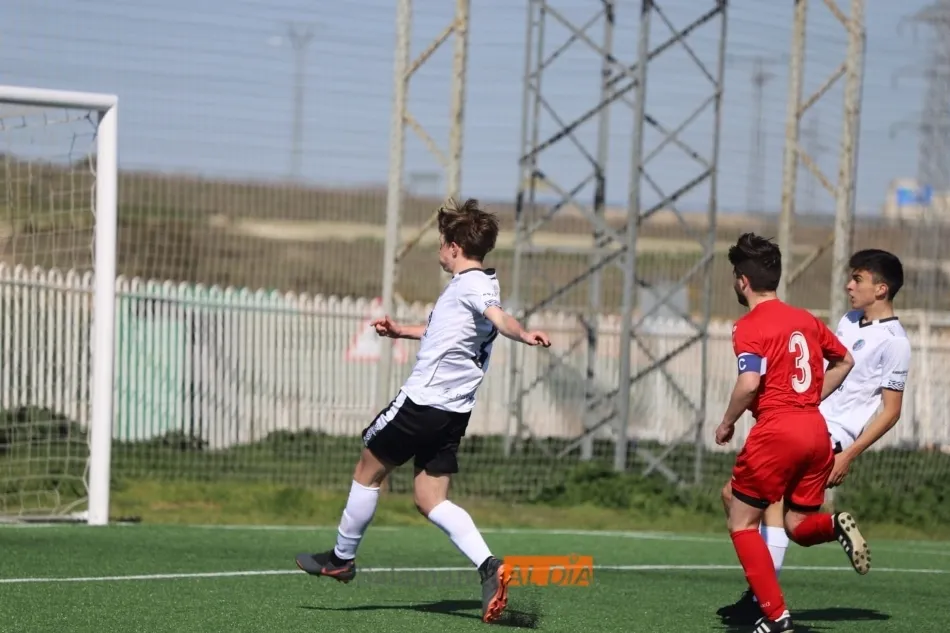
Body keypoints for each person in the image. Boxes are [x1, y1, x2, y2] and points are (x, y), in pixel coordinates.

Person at [294, 198, 552, 624]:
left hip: (423, 402)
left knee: (368, 468)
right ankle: (490, 567)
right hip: (453, 412)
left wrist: (523, 333)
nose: (439, 250)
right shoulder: (480, 282)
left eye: (441, 243)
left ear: (453, 247)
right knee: (430, 499)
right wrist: (401, 330)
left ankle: (341, 558)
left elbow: (500, 319)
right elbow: (446, 330)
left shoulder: (471, 287)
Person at [718, 248, 910, 624]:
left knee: (754, 507)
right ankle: (823, 534)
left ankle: (765, 604)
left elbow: (891, 410)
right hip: (812, 423)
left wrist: (849, 453)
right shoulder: (848, 321)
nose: (849, 285)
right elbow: (835, 363)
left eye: (858, 279)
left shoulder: (895, 342)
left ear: (881, 289)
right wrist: (805, 400)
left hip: (826, 434)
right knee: (795, 523)